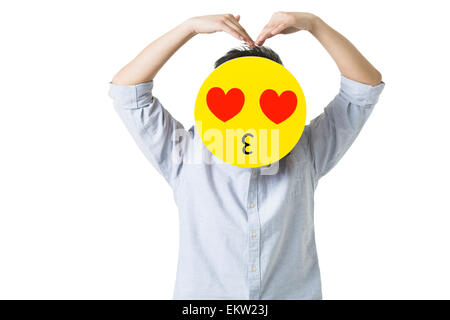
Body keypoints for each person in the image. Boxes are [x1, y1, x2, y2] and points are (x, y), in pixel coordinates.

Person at [109, 12, 384, 299]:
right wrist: (188, 28)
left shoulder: (306, 148)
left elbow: (364, 88)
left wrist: (314, 24)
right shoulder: (186, 152)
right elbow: (127, 91)